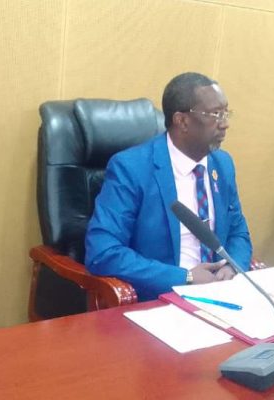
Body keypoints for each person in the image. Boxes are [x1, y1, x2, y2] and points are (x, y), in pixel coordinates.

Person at [85, 72, 252, 301]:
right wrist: (185, 277)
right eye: (215, 114)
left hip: (221, 296)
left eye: (225, 113)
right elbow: (103, 252)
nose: (225, 124)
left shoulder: (222, 164)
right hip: (161, 298)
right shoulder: (131, 168)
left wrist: (232, 267)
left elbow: (238, 232)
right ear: (182, 121)